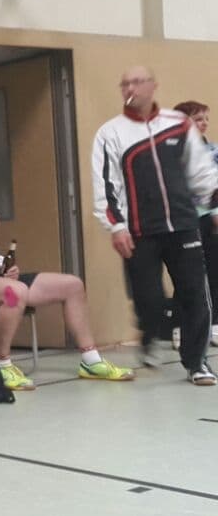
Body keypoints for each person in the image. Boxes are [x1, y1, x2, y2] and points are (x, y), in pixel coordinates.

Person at [0, 176, 135, 390]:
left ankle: (91, 360)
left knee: (72, 285)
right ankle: (2, 363)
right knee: (14, 292)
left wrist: (7, 268)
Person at [90, 65, 218, 385]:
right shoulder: (110, 133)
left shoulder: (178, 124)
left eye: (136, 81)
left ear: (153, 86)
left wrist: (214, 203)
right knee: (149, 299)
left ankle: (197, 362)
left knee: (194, 294)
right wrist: (116, 227)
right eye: (124, 83)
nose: (129, 88)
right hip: (139, 231)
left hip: (184, 226)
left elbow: (201, 171)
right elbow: (106, 185)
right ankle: (151, 335)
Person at [172, 99, 218, 349]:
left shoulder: (212, 151)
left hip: (208, 219)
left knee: (214, 271)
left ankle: (214, 324)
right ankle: (180, 327)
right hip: (183, 221)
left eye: (206, 119)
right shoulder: (171, 153)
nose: (204, 123)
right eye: (198, 119)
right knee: (186, 275)